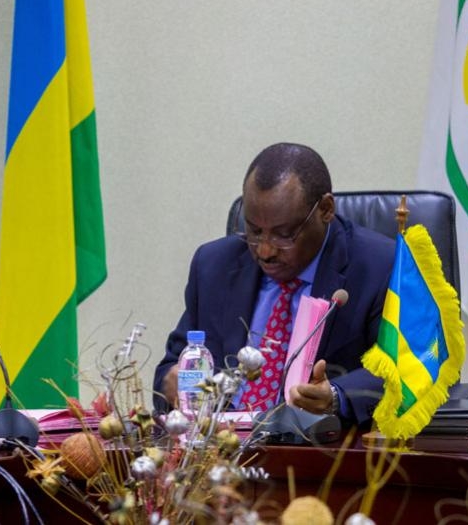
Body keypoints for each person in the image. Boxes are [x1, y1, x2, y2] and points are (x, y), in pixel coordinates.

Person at [153, 143, 395, 426]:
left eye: (284, 235)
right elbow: (171, 367)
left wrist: (336, 396)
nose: (265, 251)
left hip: (322, 456)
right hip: (222, 450)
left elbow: (409, 367)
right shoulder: (214, 265)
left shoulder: (380, 265)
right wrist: (173, 382)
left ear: (326, 210)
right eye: (254, 230)